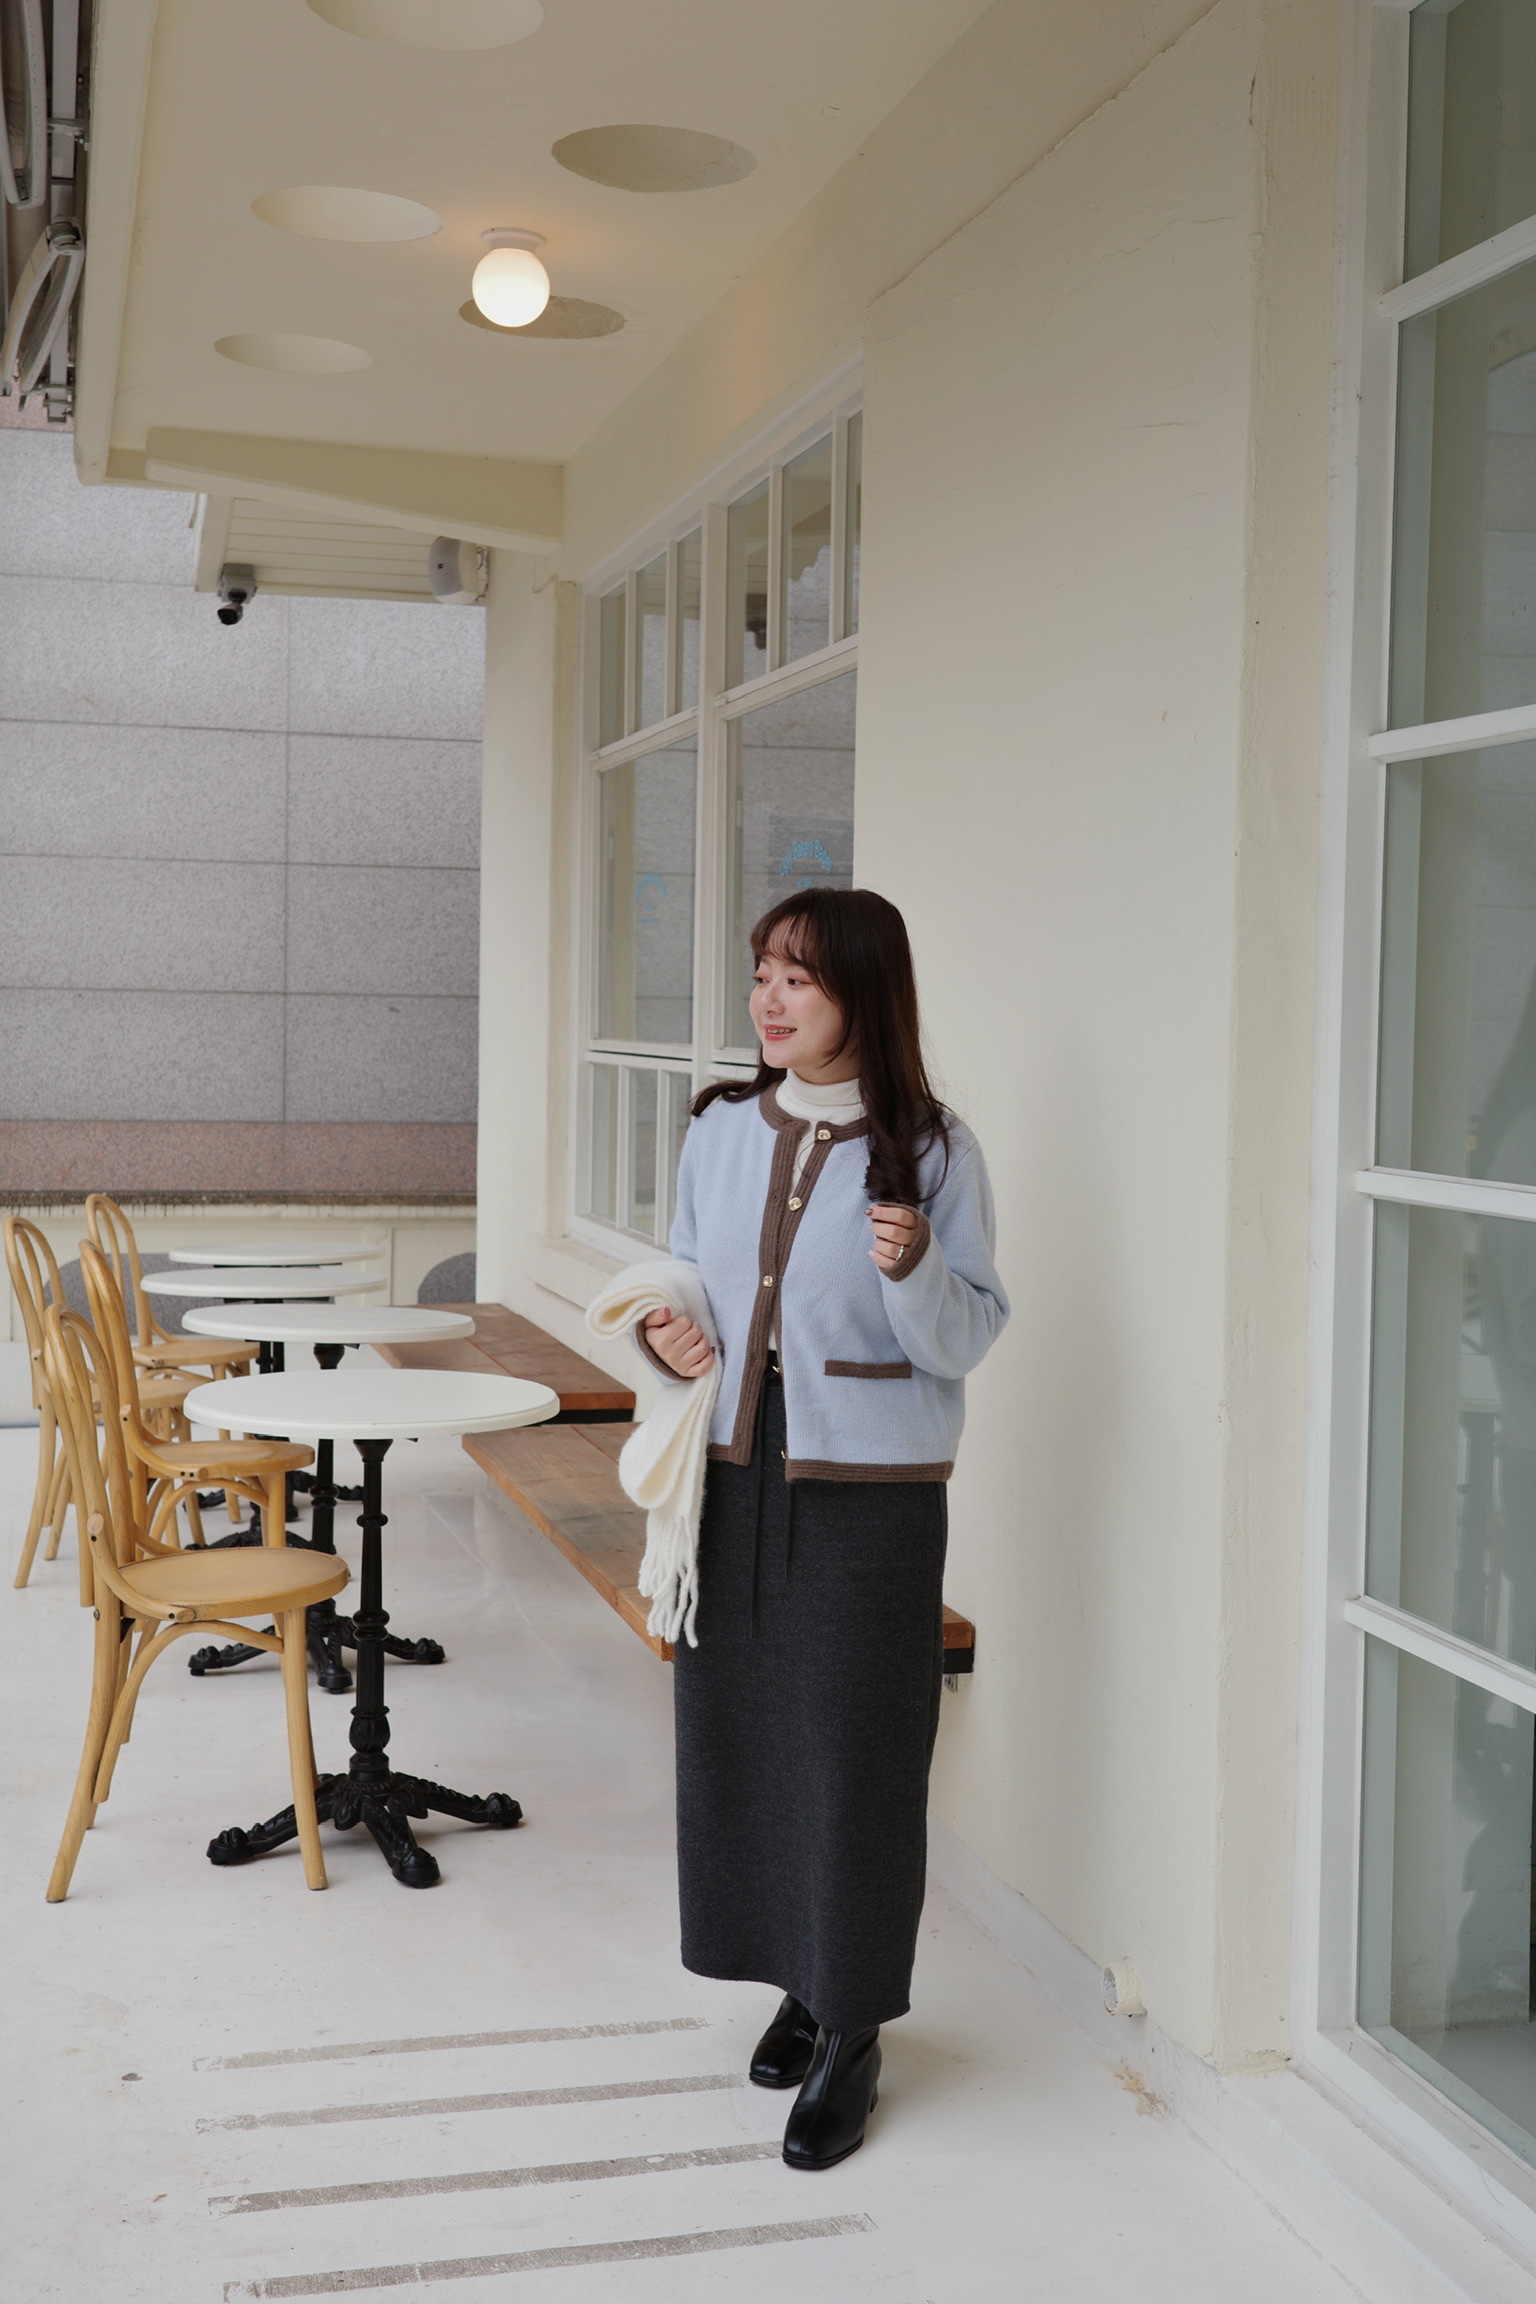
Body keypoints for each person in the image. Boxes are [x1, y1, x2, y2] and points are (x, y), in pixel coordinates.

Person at [637, 885, 1008, 2169]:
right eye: (763, 974)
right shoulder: (720, 1129)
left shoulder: (936, 1150)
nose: (770, 1000)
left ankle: (853, 2028)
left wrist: (914, 1270)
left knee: (856, 1754)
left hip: (872, 1493)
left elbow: (971, 1334)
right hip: (733, 1472)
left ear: (864, 991)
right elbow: (680, 1273)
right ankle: (799, 1980)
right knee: (742, 1740)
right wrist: (665, 1333)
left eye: (798, 977)